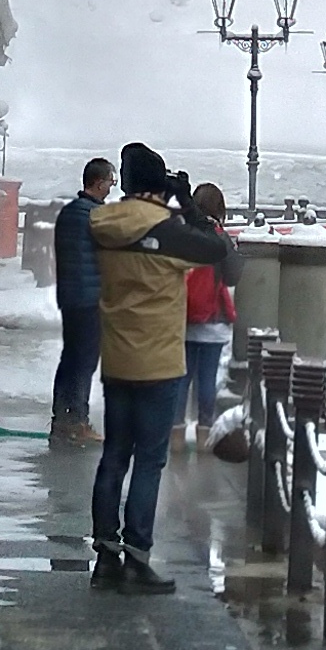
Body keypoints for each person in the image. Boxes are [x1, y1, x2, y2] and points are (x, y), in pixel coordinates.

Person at [88, 143, 235, 590]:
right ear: (159, 186)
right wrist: (187, 204)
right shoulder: (168, 230)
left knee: (114, 456)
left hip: (117, 356)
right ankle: (137, 557)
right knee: (149, 461)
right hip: (159, 361)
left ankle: (105, 557)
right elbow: (218, 249)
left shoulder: (102, 223)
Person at [51, 156, 114, 447]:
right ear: (99, 183)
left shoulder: (68, 213)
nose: (111, 188)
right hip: (91, 299)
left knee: (69, 357)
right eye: (111, 182)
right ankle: (78, 420)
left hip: (69, 297)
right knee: (85, 362)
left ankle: (60, 417)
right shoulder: (98, 216)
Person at [180, 180, 236, 441]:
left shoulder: (183, 233)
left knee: (183, 377)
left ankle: (175, 432)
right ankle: (204, 432)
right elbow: (233, 274)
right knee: (207, 378)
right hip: (213, 319)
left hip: (185, 317)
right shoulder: (219, 235)